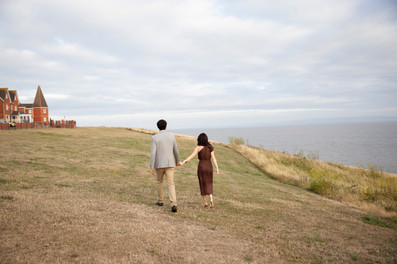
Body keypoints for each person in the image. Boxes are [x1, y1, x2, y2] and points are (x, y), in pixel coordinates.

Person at [180, 133, 219, 208]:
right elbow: (213, 158)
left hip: (201, 166)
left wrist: (184, 162)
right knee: (209, 182)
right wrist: (217, 167)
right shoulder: (210, 147)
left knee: (202, 183)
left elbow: (191, 156)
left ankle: (205, 203)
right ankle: (211, 198)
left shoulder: (198, 148)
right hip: (209, 166)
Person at [150, 119, 180, 213]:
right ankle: (173, 204)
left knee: (159, 182)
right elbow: (176, 150)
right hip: (170, 163)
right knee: (171, 184)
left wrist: (152, 166)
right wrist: (177, 160)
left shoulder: (155, 138)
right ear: (166, 126)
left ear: (158, 127)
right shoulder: (172, 136)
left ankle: (160, 201)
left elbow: (153, 153)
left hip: (159, 164)